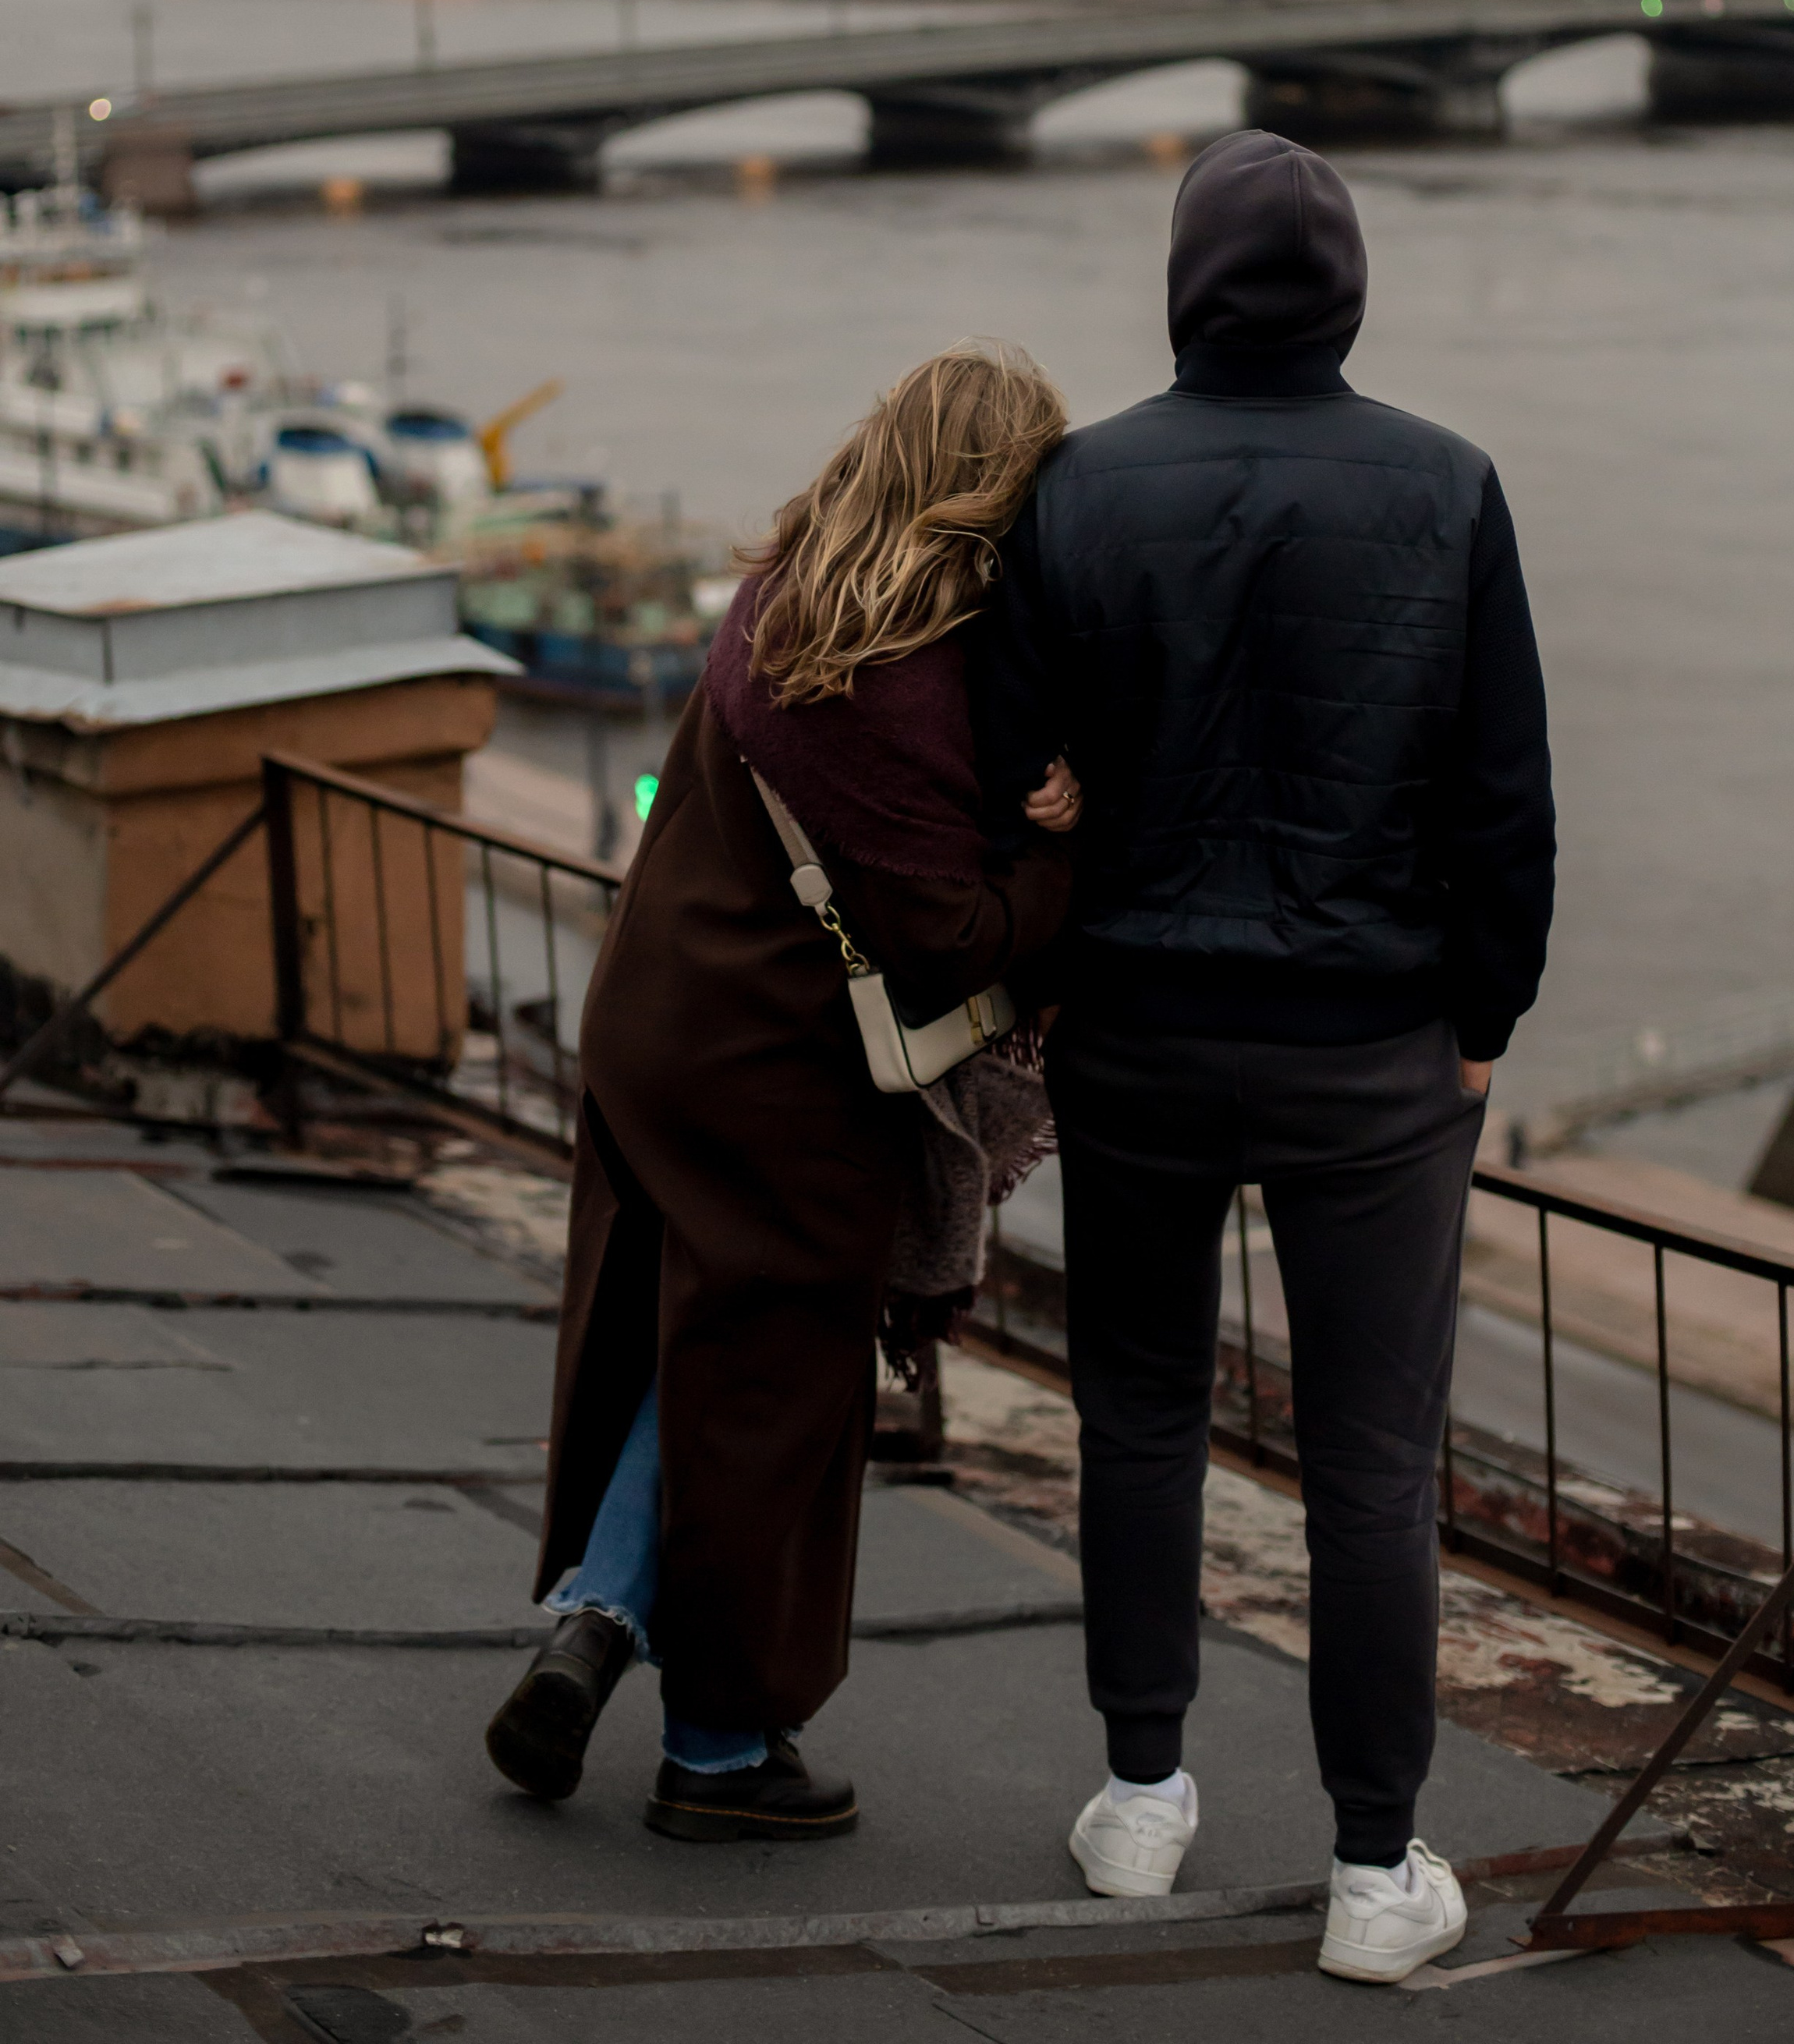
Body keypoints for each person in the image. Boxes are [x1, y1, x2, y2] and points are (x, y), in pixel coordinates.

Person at [975, 128, 1556, 1982]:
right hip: (1371, 1051)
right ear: (1347, 291)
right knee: (1370, 1465)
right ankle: (1373, 1875)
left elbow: (1005, 759)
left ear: (1183, 286)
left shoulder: (1077, 487)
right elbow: (1502, 803)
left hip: (1135, 1030)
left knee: (1137, 1419)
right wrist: (1481, 1024)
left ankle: (1139, 1798)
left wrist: (1059, 926)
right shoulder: (1447, 486)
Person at [485, 342, 1078, 1840]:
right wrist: (1062, 855)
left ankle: (597, 1620)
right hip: (780, 1078)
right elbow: (947, 936)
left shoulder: (781, 595)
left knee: (699, 1352)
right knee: (773, 1394)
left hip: (653, 1022)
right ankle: (719, 1754)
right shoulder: (912, 678)